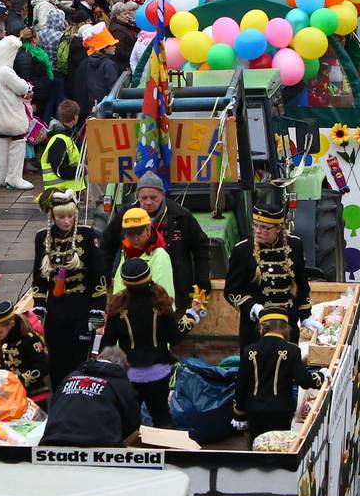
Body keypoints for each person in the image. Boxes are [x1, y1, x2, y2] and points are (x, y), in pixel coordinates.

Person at [103, 258, 203, 427]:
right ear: (149, 277)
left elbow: (108, 343)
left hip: (129, 374)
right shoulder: (161, 304)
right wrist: (191, 316)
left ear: (125, 282)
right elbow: (175, 338)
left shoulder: (117, 308)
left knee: (128, 421)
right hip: (159, 373)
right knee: (162, 417)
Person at [100, 172, 210, 313]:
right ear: (137, 196)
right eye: (143, 198)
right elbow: (106, 246)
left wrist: (202, 284)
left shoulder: (181, 216)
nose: (148, 202)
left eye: (153, 198)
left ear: (163, 195)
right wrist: (104, 279)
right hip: (131, 288)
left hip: (174, 285)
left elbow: (201, 247)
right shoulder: (126, 215)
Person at [32, 189, 105, 388]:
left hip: (81, 307)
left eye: (70, 216)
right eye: (61, 217)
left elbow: (99, 274)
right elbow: (39, 277)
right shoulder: (42, 238)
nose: (66, 221)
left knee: (80, 357)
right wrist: (39, 307)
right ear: (52, 217)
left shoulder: (88, 235)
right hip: (55, 309)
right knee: (56, 358)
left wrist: (98, 309)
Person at [225, 202, 319, 350]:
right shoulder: (242, 250)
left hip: (287, 326)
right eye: (255, 225)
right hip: (256, 329)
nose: (258, 231)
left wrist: (305, 315)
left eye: (264, 228)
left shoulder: (295, 245)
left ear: (278, 229)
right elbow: (231, 290)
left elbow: (302, 285)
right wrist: (253, 307)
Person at [231, 312, 325, 446]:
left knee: (257, 449)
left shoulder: (250, 351)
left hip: (254, 410)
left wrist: (239, 413)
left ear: (262, 327)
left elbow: (241, 384)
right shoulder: (292, 350)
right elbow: (304, 381)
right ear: (286, 328)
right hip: (280, 411)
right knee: (278, 449)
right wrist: (321, 376)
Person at [40, 346, 141, 445]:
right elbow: (132, 422)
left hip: (54, 439)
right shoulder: (120, 383)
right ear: (124, 367)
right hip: (98, 444)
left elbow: (55, 404)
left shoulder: (71, 377)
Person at [0, 34, 34, 190]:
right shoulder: (6, 72)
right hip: (12, 117)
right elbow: (21, 88)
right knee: (17, 143)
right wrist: (27, 86)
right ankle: (14, 177)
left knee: (2, 144)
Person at [0, 300, 50, 408]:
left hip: (34, 394)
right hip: (14, 394)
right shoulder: (7, 340)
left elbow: (41, 367)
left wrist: (19, 379)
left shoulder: (31, 340)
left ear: (11, 324)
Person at [110, 207, 175, 299]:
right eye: (131, 234)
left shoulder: (159, 256)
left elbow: (164, 298)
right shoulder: (125, 252)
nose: (135, 238)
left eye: (139, 233)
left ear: (148, 229)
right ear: (124, 234)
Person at [39, 99, 84, 193]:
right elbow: (61, 171)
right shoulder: (60, 140)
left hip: (66, 193)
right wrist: (82, 169)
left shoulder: (67, 137)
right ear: (75, 117)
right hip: (60, 195)